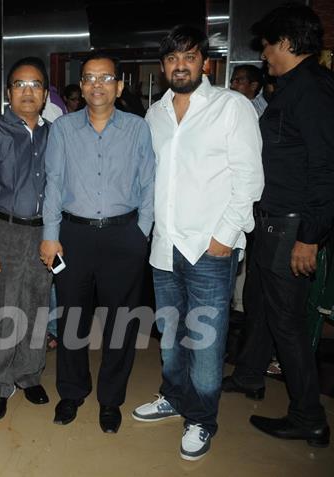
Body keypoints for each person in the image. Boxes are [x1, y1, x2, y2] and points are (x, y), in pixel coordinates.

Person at [131, 25, 264, 461]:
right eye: (172, 59)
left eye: (189, 57)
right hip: (165, 247)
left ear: (204, 62)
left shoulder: (232, 106)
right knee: (170, 335)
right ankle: (173, 397)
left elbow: (249, 180)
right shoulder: (155, 114)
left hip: (211, 248)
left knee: (205, 341)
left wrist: (226, 237)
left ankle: (202, 419)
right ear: (164, 66)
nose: (180, 65)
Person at [223, 4, 332, 448]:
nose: (264, 54)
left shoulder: (314, 91)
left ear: (286, 43)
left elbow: (326, 170)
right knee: (260, 303)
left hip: (291, 226)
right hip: (270, 222)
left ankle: (308, 415)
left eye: (268, 45)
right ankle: (250, 375)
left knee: (286, 319)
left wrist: (309, 236)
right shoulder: (291, 87)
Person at [40, 51, 155, 432]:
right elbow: (53, 184)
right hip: (73, 235)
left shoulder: (138, 128)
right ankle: (71, 393)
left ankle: (111, 399)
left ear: (119, 86)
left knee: (120, 324)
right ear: (82, 86)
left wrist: (143, 231)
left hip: (125, 235)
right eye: (89, 78)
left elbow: (149, 183)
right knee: (72, 317)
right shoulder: (63, 129)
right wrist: (50, 236)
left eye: (105, 78)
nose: (97, 85)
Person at [0, 57, 52, 420]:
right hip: (3, 230)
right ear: (8, 93)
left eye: (35, 85)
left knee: (36, 307)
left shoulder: (55, 133)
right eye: (20, 85)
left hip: (43, 233)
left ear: (46, 94)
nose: (27, 92)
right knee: (0, 310)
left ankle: (28, 374)